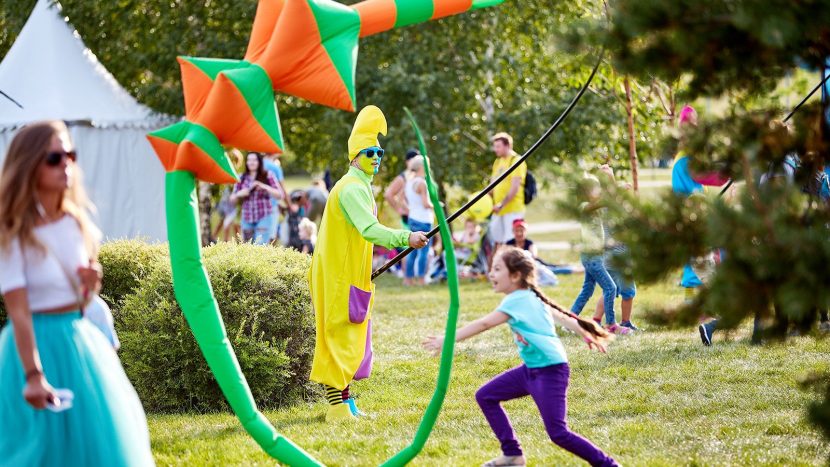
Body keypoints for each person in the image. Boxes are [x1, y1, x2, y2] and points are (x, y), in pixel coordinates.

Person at [0, 121, 153, 465]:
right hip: (34, 347)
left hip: (80, 340)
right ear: (30, 165)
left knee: (97, 448)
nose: (66, 164)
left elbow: (83, 300)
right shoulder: (12, 232)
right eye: (54, 158)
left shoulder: (76, 223)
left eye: (70, 154)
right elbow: (19, 311)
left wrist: (92, 283)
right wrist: (33, 375)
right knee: (38, 450)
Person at [423, 247, 617, 467]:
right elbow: (563, 316)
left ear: (515, 276)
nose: (491, 274)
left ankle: (609, 465)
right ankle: (512, 454)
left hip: (549, 372)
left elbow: (484, 324)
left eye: (497, 269)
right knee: (486, 396)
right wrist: (585, 332)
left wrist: (446, 340)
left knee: (558, 433)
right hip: (531, 370)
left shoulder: (516, 300)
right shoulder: (530, 296)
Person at [309, 105, 429, 422]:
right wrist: (407, 238)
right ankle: (336, 409)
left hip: (350, 274)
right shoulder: (350, 188)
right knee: (338, 337)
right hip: (337, 276)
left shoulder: (360, 185)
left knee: (351, 336)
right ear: (354, 157)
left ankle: (346, 403)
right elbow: (370, 230)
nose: (376, 157)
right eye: (369, 152)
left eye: (379, 152)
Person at [570, 174, 631, 335]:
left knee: (587, 290)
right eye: (596, 188)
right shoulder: (584, 206)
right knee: (610, 288)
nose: (599, 191)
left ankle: (569, 320)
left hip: (595, 256)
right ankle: (611, 324)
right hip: (592, 258)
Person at [592, 167, 639, 331]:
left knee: (610, 289)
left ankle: (596, 319)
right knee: (628, 290)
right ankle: (624, 321)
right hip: (620, 254)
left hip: (612, 254)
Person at [231, 152, 282, 245]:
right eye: (249, 160)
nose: (251, 162)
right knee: (248, 247)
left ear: (259, 162)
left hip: (264, 215)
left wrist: (264, 187)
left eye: (254, 160)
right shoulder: (242, 177)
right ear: (246, 163)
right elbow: (232, 199)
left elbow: (280, 195)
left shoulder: (268, 175)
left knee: (260, 246)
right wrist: (240, 194)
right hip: (247, 217)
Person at [489, 133, 526, 259]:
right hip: (497, 210)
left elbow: (515, 187)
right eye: (495, 146)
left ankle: (512, 268)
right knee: (497, 240)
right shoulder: (498, 161)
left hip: (512, 209)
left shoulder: (516, 161)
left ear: (507, 146)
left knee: (510, 242)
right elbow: (492, 185)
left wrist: (502, 204)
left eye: (498, 146)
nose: (496, 150)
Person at [403, 155, 434, 286]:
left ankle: (408, 279)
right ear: (422, 167)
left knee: (412, 250)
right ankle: (421, 279)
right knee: (424, 252)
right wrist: (438, 205)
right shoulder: (422, 183)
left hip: (413, 218)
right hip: (423, 220)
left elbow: (403, 199)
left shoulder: (409, 182)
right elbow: (426, 204)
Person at [506, 218, 558, 286]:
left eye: (521, 231)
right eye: (517, 231)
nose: (519, 233)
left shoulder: (529, 243)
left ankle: (572, 269)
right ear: (513, 232)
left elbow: (533, 256)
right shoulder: (508, 244)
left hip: (533, 263)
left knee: (552, 269)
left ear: (525, 231)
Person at [384, 148, 420, 228]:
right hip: (409, 219)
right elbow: (388, 194)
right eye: (414, 160)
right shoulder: (403, 178)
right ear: (407, 162)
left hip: (420, 217)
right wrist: (399, 210)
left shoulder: (418, 176)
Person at [263, 153, 288, 243]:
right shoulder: (275, 167)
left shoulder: (257, 163)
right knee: (271, 237)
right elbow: (283, 190)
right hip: (271, 206)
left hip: (257, 207)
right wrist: (290, 205)